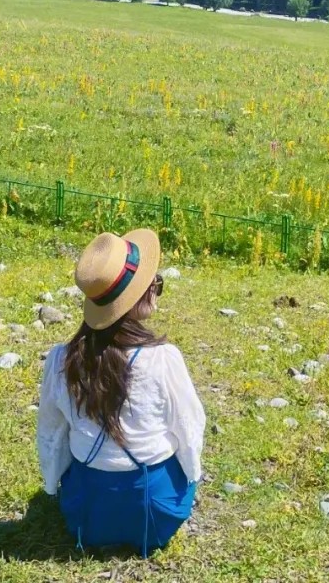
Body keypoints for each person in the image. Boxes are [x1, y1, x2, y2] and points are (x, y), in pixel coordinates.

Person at [35, 227, 206, 558]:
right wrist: (192, 477)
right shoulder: (163, 358)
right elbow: (189, 429)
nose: (157, 290)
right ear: (139, 298)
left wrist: (51, 485)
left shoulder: (61, 359)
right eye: (154, 285)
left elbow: (51, 433)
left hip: (86, 513)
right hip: (154, 512)